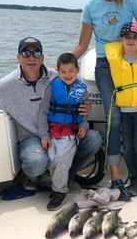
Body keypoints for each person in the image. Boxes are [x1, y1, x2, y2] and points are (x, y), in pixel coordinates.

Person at [72, 0, 137, 201]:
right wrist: (61, 65)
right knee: (114, 118)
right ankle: (116, 174)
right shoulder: (90, 6)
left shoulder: (131, 0)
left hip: (131, 62)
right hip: (104, 66)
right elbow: (81, 45)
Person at [0, 37, 102, 200]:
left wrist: (86, 108)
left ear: (42, 58)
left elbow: (79, 98)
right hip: (31, 137)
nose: (31, 57)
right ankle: (34, 178)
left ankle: (67, 175)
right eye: (26, 53)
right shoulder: (6, 85)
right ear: (18, 57)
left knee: (94, 139)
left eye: (36, 52)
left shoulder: (57, 76)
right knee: (36, 162)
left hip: (62, 132)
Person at [38, 53, 98, 210]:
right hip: (52, 131)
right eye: (63, 71)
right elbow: (43, 113)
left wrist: (83, 127)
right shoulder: (51, 87)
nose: (67, 75)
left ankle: (60, 192)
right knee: (52, 158)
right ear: (58, 71)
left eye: (71, 71)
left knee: (63, 157)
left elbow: (84, 116)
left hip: (70, 132)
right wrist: (44, 135)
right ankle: (59, 184)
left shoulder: (80, 89)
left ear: (77, 70)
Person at [105, 21, 137, 196]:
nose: (131, 40)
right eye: (127, 37)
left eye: (136, 37)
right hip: (126, 111)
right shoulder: (115, 59)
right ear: (121, 39)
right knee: (128, 148)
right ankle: (135, 178)